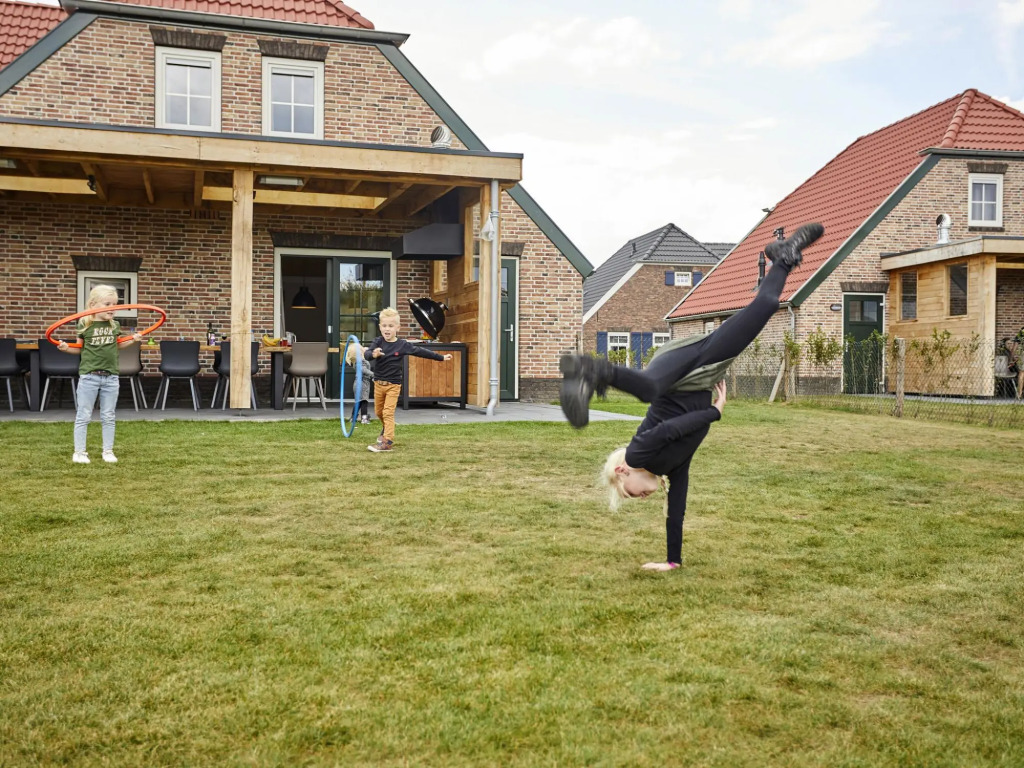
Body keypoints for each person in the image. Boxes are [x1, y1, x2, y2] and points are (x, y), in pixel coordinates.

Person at [560, 223, 825, 570]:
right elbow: (677, 510)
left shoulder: (638, 452)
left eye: (630, 492)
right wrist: (672, 562)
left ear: (624, 471)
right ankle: (782, 257)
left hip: (682, 367)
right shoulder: (673, 467)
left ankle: (591, 369)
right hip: (699, 375)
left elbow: (675, 428)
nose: (640, 497)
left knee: (650, 389)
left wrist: (715, 413)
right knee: (764, 306)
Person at [57, 285, 143, 464]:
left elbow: (118, 345)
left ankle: (108, 451)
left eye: (115, 304)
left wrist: (133, 340)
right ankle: (79, 452)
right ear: (93, 305)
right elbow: (79, 348)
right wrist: (66, 348)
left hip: (111, 376)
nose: (112, 308)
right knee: (84, 415)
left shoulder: (114, 325)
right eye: (107, 304)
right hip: (89, 376)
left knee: (109, 415)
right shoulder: (84, 324)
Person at [364, 306, 452, 452]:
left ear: (397, 328)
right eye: (384, 326)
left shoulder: (402, 345)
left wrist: (441, 357)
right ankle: (386, 430)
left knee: (388, 413)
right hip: (378, 384)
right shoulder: (378, 342)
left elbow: (421, 351)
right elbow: (366, 354)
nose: (387, 329)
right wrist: (374, 354)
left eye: (391, 326)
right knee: (379, 412)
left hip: (393, 385)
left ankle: (387, 441)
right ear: (380, 327)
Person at [344, 340, 374, 425]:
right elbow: (363, 369)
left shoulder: (357, 362)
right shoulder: (361, 362)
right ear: (360, 353)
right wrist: (373, 374)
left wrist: (366, 350)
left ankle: (353, 417)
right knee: (364, 401)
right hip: (362, 384)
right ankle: (364, 418)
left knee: (358, 402)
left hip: (358, 384)